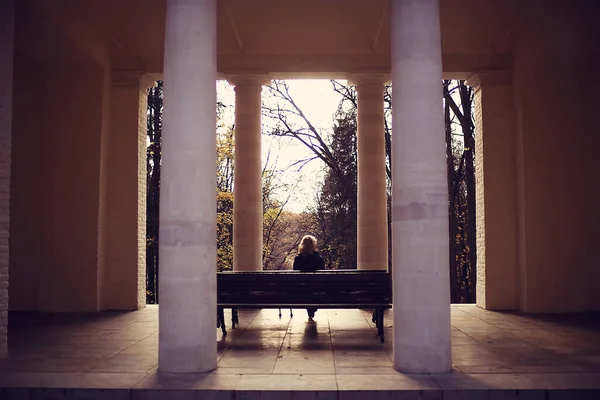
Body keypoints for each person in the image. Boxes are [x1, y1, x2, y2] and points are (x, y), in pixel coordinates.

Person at [293, 235, 325, 321]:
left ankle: (310, 307)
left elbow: (295, 274)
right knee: (312, 290)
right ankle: (311, 307)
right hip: (317, 288)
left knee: (307, 290)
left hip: (302, 288)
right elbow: (323, 274)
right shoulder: (318, 259)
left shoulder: (298, 259)